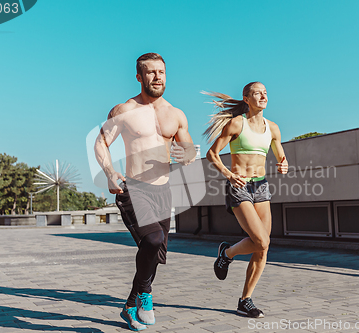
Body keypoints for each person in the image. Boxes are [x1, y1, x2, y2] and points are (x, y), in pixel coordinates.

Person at [95, 53, 195, 331]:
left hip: (163, 191)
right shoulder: (124, 110)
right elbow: (101, 143)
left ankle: (130, 305)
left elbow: (187, 150)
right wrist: (109, 172)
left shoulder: (176, 114)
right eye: (150, 72)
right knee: (152, 239)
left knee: (154, 256)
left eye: (161, 72)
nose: (157, 77)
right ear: (139, 77)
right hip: (133, 188)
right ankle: (145, 296)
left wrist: (184, 154)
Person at [204, 82, 288, 318]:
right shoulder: (237, 123)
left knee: (263, 248)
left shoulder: (273, 128)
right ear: (246, 98)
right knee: (260, 240)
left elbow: (281, 156)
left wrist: (283, 164)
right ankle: (227, 254)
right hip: (239, 186)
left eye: (265, 93)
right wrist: (229, 175)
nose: (263, 96)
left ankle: (245, 300)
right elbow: (212, 153)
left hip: (261, 186)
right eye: (258, 93)